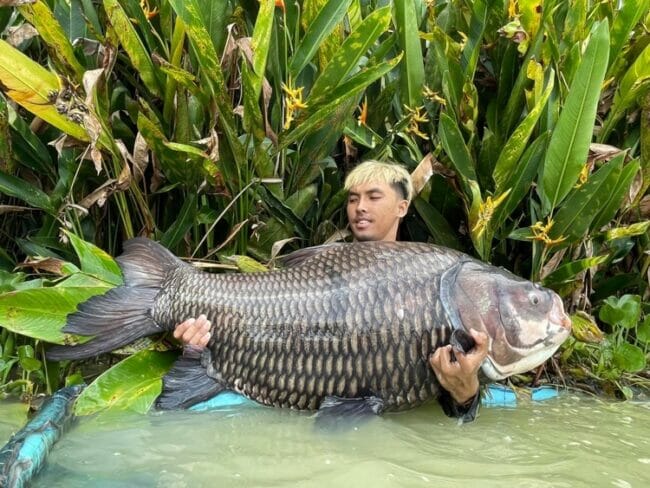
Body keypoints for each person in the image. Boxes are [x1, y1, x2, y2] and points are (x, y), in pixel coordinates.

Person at [174, 160, 487, 422]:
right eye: (353, 198)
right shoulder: (322, 263)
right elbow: (266, 327)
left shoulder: (432, 274)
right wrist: (197, 348)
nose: (360, 208)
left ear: (402, 207)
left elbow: (462, 416)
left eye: (373, 197)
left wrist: (466, 391)